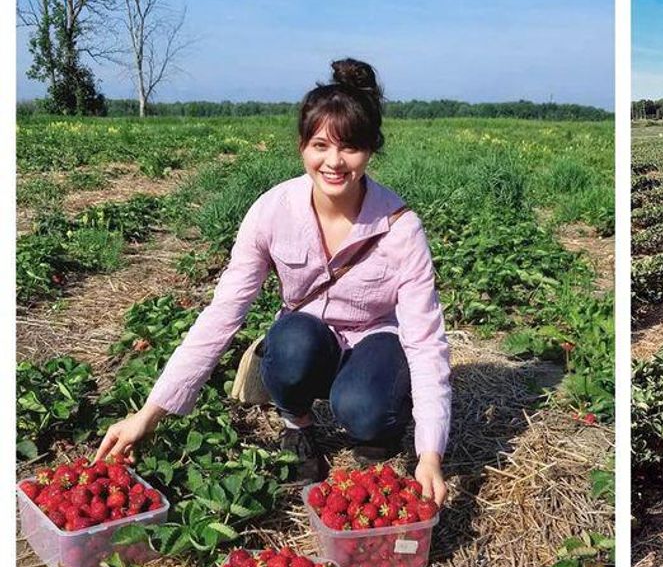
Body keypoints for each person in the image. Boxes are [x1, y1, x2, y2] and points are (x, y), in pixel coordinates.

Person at [95, 58, 450, 506]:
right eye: (320, 144)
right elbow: (224, 314)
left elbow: (425, 342)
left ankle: (373, 420)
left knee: (365, 410)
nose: (334, 162)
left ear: (371, 149)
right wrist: (149, 414)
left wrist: (431, 452)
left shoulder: (400, 228)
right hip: (308, 336)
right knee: (291, 344)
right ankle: (297, 425)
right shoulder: (271, 212)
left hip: (375, 336)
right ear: (302, 146)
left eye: (351, 147)